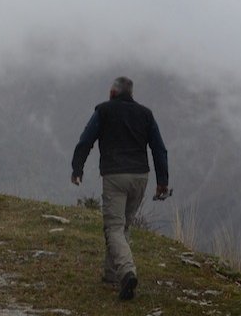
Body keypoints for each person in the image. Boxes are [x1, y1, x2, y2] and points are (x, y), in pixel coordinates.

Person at [71, 76, 170, 301]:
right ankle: (111, 274)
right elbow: (159, 149)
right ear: (131, 93)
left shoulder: (104, 111)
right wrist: (162, 181)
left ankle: (126, 272)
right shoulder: (146, 114)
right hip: (140, 177)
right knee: (122, 226)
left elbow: (85, 140)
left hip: (115, 176)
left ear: (113, 92)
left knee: (114, 227)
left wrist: (77, 168)